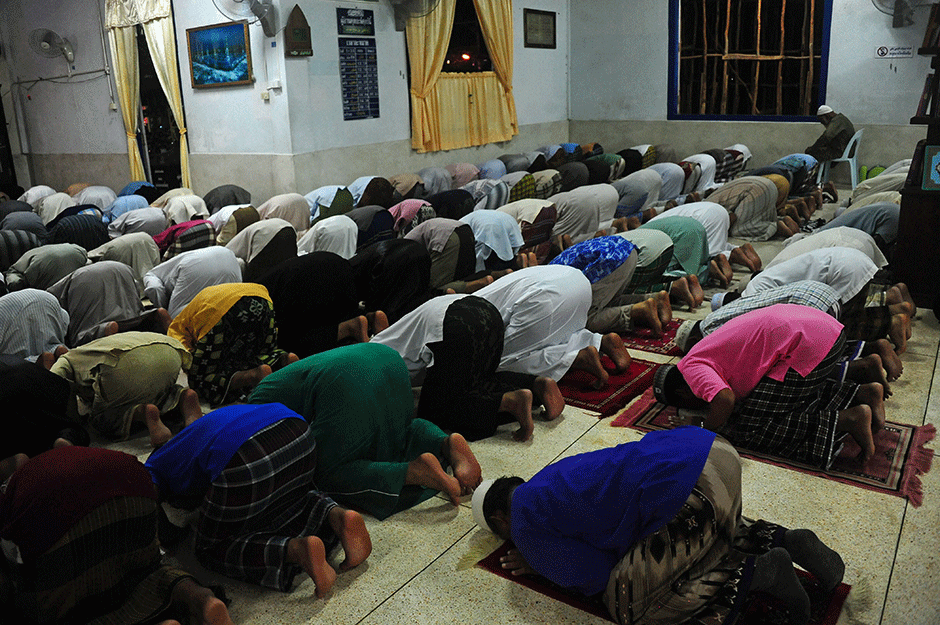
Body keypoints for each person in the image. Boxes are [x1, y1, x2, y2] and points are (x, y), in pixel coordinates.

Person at [474, 428, 845, 625]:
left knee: (626, 603)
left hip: (691, 495)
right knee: (704, 526)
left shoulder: (523, 524)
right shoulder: (546, 481)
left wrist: (544, 563)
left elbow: (597, 576)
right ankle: (784, 539)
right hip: (711, 451)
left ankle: (758, 571)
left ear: (499, 520)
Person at [145, 402, 371, 596]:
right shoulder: (202, 426)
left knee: (211, 549)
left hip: (245, 454)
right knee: (288, 502)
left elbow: (148, 498)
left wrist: (170, 536)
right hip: (296, 430)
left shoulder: (156, 465)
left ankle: (294, 550)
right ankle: (336, 515)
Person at [247, 342, 482, 520]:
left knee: (324, 473)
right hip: (386, 359)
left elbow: (281, 454)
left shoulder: (256, 403)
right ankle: (444, 441)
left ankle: (411, 471)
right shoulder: (287, 375)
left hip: (344, 388)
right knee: (398, 432)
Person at [0, 446, 233, 625]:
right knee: (143, 572)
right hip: (130, 481)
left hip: (56, 510)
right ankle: (201, 599)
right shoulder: (44, 461)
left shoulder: (17, 491)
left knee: (58, 607)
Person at [654, 304, 887, 467]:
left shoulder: (691, 368)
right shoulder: (701, 351)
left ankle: (849, 419)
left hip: (808, 345)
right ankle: (860, 393)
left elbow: (724, 400)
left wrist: (704, 429)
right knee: (770, 401)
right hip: (824, 331)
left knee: (747, 429)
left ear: (682, 391)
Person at [371, 294, 564, 442]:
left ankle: (506, 401)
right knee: (479, 381)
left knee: (436, 416)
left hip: (452, 324)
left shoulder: (375, 355)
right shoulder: (391, 335)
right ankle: (535, 386)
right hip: (486, 310)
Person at [48, 331, 202, 446]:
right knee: (157, 391)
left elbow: (52, 383)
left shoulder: (66, 360)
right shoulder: (94, 345)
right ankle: (182, 396)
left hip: (120, 365)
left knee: (99, 419)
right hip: (168, 350)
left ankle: (142, 413)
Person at [168, 283, 296, 407]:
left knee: (200, 378)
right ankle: (283, 361)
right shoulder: (191, 312)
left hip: (219, 311)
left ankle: (254, 375)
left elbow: (187, 358)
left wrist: (195, 367)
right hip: (261, 299)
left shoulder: (175, 331)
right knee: (258, 353)